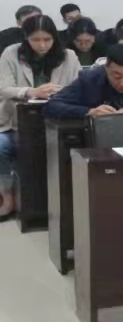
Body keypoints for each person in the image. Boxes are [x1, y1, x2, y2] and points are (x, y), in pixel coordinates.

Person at [0, 16, 82, 219]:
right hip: (15, 123)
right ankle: (6, 194)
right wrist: (31, 92)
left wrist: (61, 93)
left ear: (55, 37)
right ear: (26, 38)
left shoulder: (69, 56)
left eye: (47, 39)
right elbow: (4, 88)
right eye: (35, 40)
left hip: (57, 123)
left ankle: (62, 201)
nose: (42, 45)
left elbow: (80, 87)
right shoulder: (11, 53)